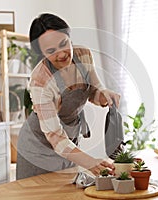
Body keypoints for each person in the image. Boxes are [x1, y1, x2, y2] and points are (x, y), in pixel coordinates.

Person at [16, 13, 120, 180]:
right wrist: (90, 162)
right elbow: (55, 136)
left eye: (63, 44)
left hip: (69, 142)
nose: (61, 54)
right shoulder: (40, 81)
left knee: (68, 193)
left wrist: (103, 96)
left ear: (69, 38)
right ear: (42, 54)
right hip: (38, 147)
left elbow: (93, 89)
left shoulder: (83, 55)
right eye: (51, 51)